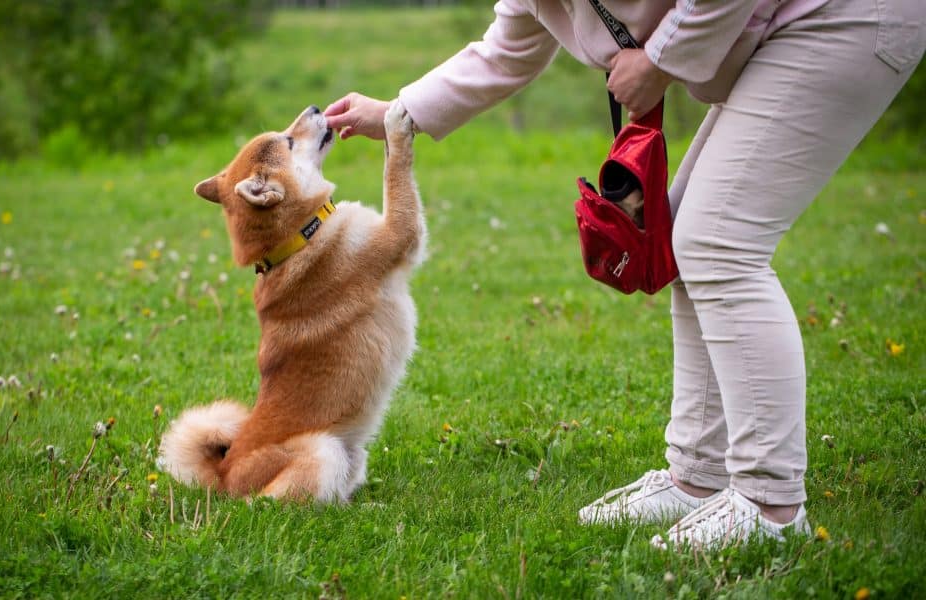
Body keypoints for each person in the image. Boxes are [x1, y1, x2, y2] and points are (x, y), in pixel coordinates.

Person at [324, 0, 924, 550]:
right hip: (787, 29)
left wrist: (659, 62)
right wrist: (398, 113)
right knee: (690, 236)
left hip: (841, 17)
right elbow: (506, 49)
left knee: (718, 243)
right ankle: (697, 476)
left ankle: (769, 503)